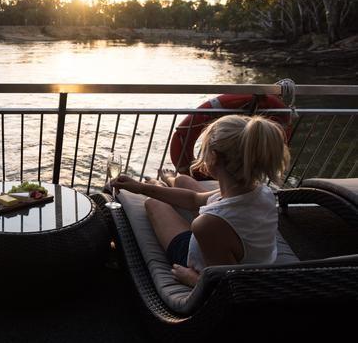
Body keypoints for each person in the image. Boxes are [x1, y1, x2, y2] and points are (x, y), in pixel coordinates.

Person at [112, 115, 290, 287]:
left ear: (214, 157)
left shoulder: (207, 225)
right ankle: (169, 181)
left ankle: (161, 182)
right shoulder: (263, 191)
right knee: (183, 181)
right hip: (251, 254)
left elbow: (227, 287)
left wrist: (193, 279)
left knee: (153, 203)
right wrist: (140, 187)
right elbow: (193, 199)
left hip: (198, 259)